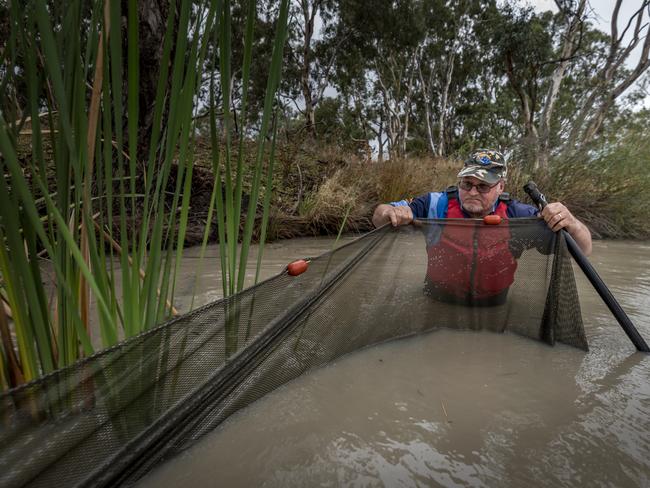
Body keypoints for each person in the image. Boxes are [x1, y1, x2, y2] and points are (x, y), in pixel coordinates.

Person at [372, 149, 592, 306]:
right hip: (437, 301)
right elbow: (379, 217)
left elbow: (582, 250)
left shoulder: (519, 214)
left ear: (500, 187)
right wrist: (391, 212)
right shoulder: (435, 204)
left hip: (493, 308)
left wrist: (572, 223)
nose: (473, 192)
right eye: (466, 184)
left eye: (483, 186)